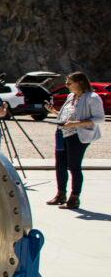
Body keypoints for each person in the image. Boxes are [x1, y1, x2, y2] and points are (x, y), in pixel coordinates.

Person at [46, 71, 104, 210]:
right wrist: (54, 112)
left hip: (77, 136)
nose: (66, 85)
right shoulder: (71, 96)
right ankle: (61, 195)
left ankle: (74, 197)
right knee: (60, 165)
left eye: (69, 82)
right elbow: (68, 114)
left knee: (74, 166)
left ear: (80, 83)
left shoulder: (92, 97)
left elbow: (99, 118)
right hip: (62, 134)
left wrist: (75, 124)